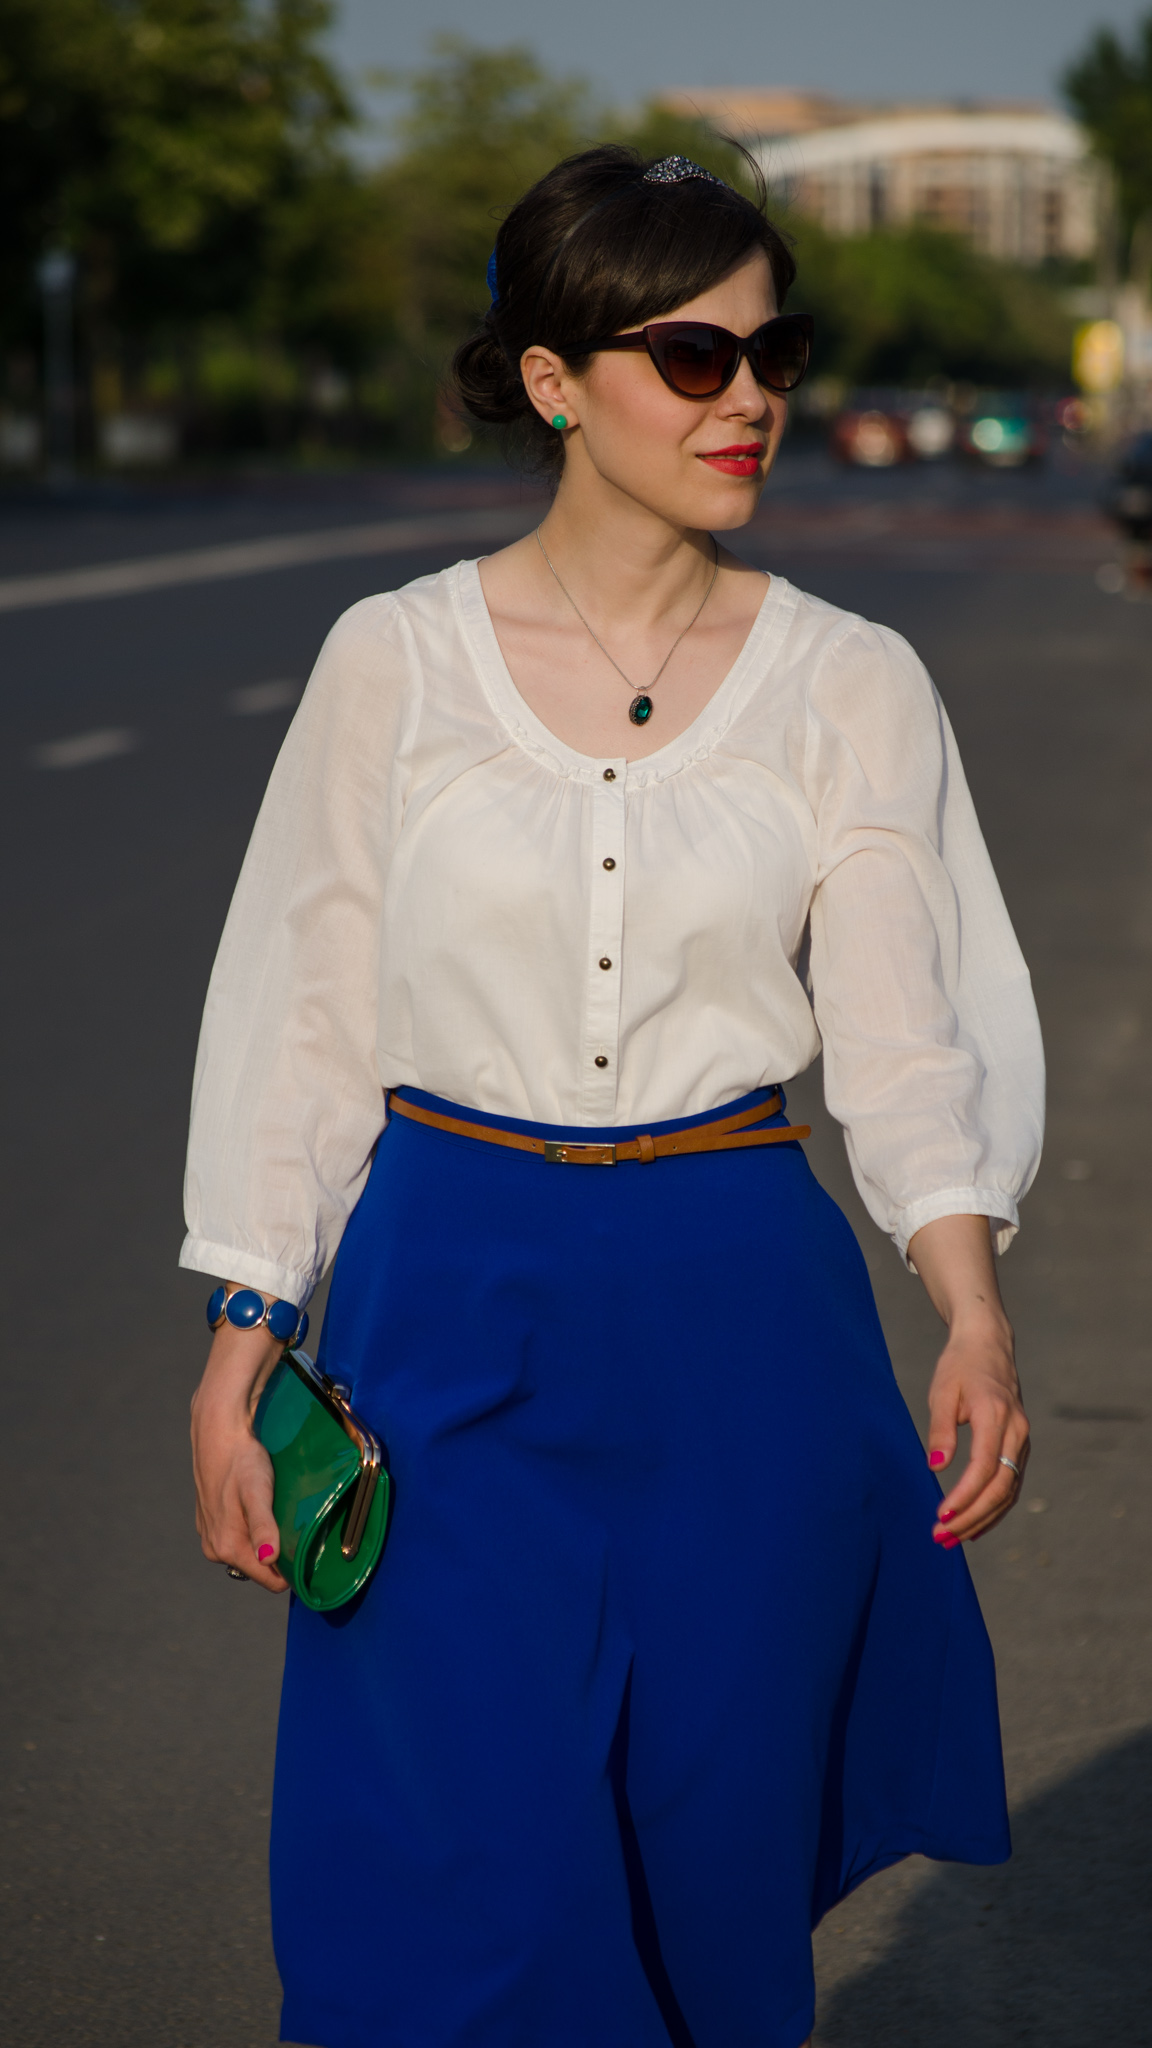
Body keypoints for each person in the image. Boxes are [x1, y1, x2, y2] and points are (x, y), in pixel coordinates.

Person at [185, 145, 1043, 2048]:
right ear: (555, 377)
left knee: (704, 1874)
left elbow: (908, 1030)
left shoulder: (855, 680)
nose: (750, 398)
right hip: (447, 1301)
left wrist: (969, 1303)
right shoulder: (391, 661)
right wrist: (249, 1327)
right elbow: (305, 1007)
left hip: (743, 1315)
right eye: (692, 355)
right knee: (451, 1873)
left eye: (775, 351)